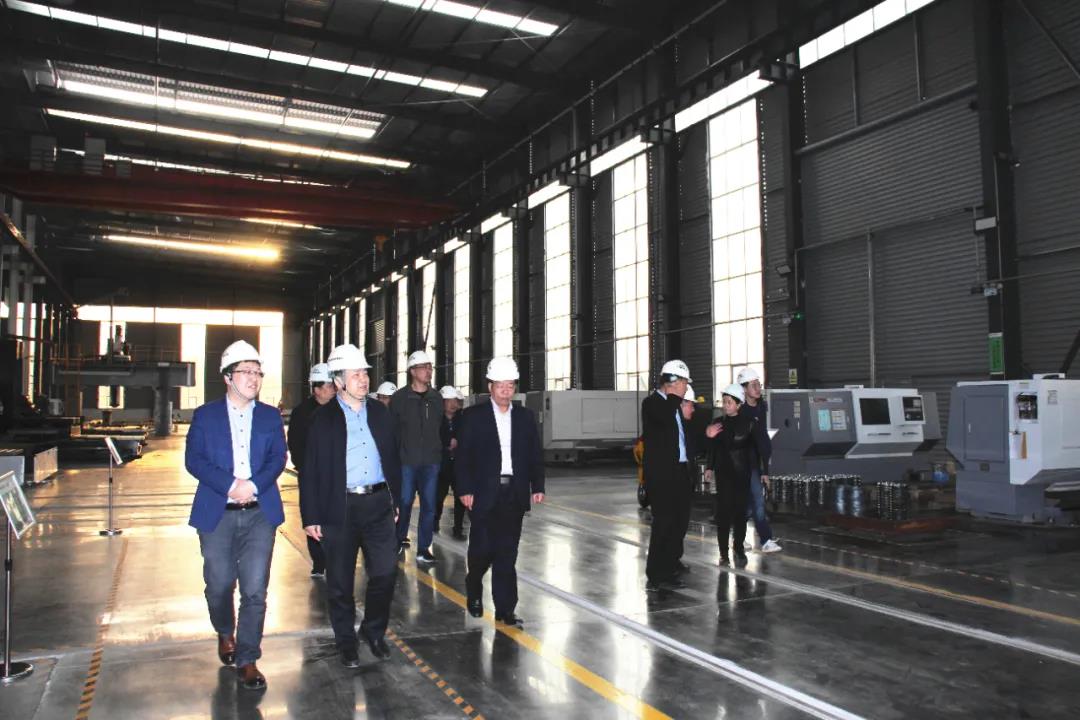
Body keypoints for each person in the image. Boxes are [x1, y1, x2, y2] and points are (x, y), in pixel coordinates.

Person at [186, 340, 286, 691]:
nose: (254, 378)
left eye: (258, 372)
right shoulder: (206, 415)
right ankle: (224, 630)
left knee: (255, 589)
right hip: (219, 513)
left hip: (260, 513)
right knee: (219, 584)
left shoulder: (270, 416)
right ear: (228, 377)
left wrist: (253, 486)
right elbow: (194, 460)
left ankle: (248, 659)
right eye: (246, 371)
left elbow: (278, 458)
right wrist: (231, 485)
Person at [300, 343, 402, 667]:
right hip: (339, 507)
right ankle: (345, 641)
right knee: (340, 582)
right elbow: (310, 470)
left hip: (378, 504)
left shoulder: (381, 414)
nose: (363, 379)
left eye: (365, 373)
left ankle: (373, 631)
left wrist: (396, 498)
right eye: (355, 374)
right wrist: (311, 515)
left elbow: (393, 458)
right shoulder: (322, 419)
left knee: (385, 573)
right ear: (339, 381)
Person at [456, 357, 544, 628]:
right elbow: (463, 457)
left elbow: (534, 453)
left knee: (507, 553)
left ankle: (505, 609)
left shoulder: (525, 417)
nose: (506, 390)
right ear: (490, 386)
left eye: (510, 385)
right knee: (482, 549)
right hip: (483, 493)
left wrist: (538, 486)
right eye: (500, 385)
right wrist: (465, 489)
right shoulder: (473, 417)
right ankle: (474, 585)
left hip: (513, 493)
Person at [641, 359, 694, 592]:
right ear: (672, 381)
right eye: (683, 382)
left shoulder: (675, 406)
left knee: (679, 522)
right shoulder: (652, 403)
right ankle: (655, 574)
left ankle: (670, 568)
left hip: (679, 471)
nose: (686, 387)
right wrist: (673, 396)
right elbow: (662, 418)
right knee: (663, 523)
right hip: (662, 475)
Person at [390, 351, 443, 564]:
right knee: (404, 503)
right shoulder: (400, 398)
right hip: (407, 462)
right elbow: (393, 432)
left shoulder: (436, 398)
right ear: (412, 371)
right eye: (424, 367)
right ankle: (398, 539)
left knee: (429, 506)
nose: (429, 371)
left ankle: (423, 548)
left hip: (431, 462)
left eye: (430, 367)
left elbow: (439, 428)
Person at [705, 383, 766, 566]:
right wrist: (709, 467)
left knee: (740, 513)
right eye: (724, 402)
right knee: (723, 514)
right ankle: (723, 553)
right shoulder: (718, 423)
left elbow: (758, 450)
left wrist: (763, 472)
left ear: (739, 404)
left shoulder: (750, 423)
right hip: (723, 474)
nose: (725, 405)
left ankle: (738, 548)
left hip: (742, 474)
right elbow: (713, 448)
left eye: (729, 402)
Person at [287, 362, 337, 577]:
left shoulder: (340, 410)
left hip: (336, 475)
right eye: (329, 385)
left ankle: (335, 558)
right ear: (316, 389)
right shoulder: (302, 413)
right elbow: (294, 443)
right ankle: (319, 561)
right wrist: (305, 468)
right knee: (313, 515)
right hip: (311, 475)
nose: (333, 389)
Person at [737, 368, 781, 553]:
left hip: (758, 461)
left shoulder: (761, 407)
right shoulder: (741, 411)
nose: (757, 388)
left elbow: (762, 437)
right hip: (745, 464)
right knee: (757, 501)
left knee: (749, 504)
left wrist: (765, 468)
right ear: (744, 389)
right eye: (753, 385)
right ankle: (765, 540)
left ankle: (738, 537)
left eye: (758, 384)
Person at [434, 385, 466, 539]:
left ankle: (458, 528)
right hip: (441, 464)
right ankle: (434, 522)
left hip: (459, 464)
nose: (453, 404)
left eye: (455, 401)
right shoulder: (435, 419)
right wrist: (447, 442)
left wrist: (458, 440)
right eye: (449, 401)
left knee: (461, 496)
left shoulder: (463, 418)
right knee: (439, 496)